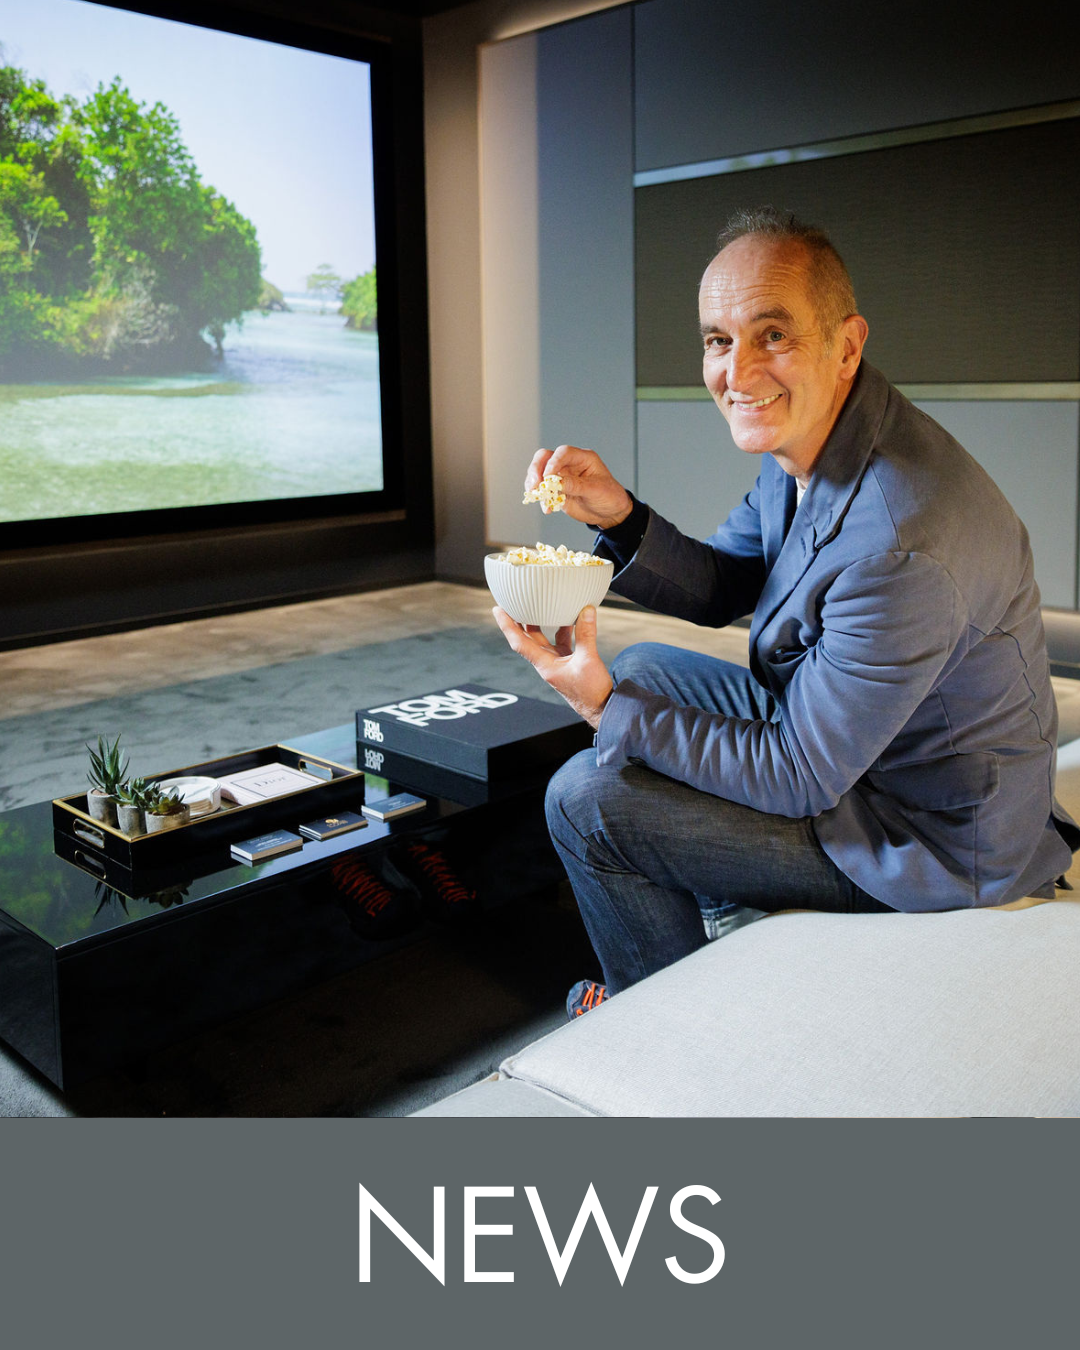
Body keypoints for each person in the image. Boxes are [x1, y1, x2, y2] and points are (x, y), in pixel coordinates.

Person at [492, 206, 1079, 1015]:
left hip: (923, 836)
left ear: (847, 345)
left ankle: (657, 1023)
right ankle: (712, 915)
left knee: (585, 802)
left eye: (772, 335)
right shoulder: (822, 434)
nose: (737, 371)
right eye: (718, 340)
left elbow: (800, 774)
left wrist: (600, 706)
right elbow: (728, 582)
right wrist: (618, 517)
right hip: (865, 754)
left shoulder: (899, 543)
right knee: (645, 668)